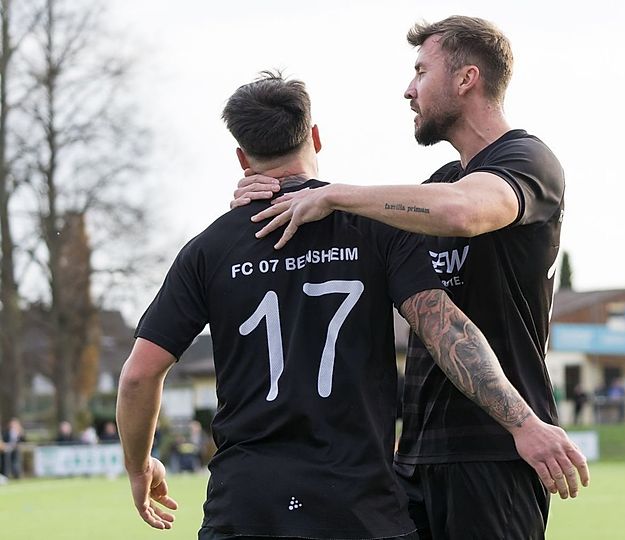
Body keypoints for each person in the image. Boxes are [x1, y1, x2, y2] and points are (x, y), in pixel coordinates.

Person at [118, 72, 582, 539]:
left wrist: (138, 466)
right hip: (360, 510)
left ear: (243, 159)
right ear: (315, 136)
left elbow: (139, 375)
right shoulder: (378, 228)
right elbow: (445, 331)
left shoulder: (208, 249)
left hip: (243, 508)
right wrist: (524, 421)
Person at [233, 16, 586, 538]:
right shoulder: (438, 184)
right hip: (415, 458)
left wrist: (333, 193)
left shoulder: (528, 160)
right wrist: (271, 197)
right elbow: (361, 244)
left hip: (493, 451)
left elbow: (465, 212)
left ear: (466, 79)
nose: (408, 89)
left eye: (421, 71)